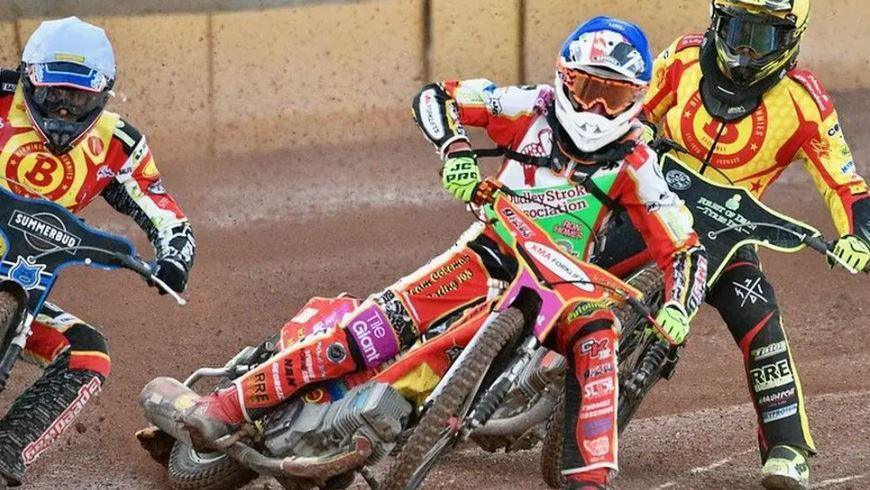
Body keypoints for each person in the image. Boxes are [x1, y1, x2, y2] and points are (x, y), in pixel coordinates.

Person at [176, 17, 705, 489]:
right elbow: (437, 96)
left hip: (567, 284)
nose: (594, 108)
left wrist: (680, 307)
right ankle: (224, 407)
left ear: (634, 100)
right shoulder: (531, 106)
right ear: (565, 79)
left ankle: (590, 479)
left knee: (600, 338)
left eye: (611, 97)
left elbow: (684, 245)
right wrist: (453, 149)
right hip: (491, 251)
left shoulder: (637, 159)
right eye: (588, 89)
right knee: (366, 335)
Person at [597, 1, 870, 488]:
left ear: (789, 41)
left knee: (760, 318)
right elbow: (629, 114)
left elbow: (845, 182)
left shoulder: (805, 102)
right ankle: (453, 363)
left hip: (726, 234)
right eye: (737, 29)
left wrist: (859, 237)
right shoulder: (681, 58)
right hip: (650, 208)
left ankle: (786, 447)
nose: (744, 47)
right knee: (561, 262)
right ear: (716, 22)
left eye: (760, 36)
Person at [0, 17, 195, 486]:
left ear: (103, 96)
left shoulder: (118, 144)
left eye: (79, 99)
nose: (64, 112)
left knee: (89, 354)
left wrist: (174, 259)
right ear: (29, 80)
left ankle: (9, 448)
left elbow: (166, 212)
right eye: (55, 96)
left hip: (25, 283)